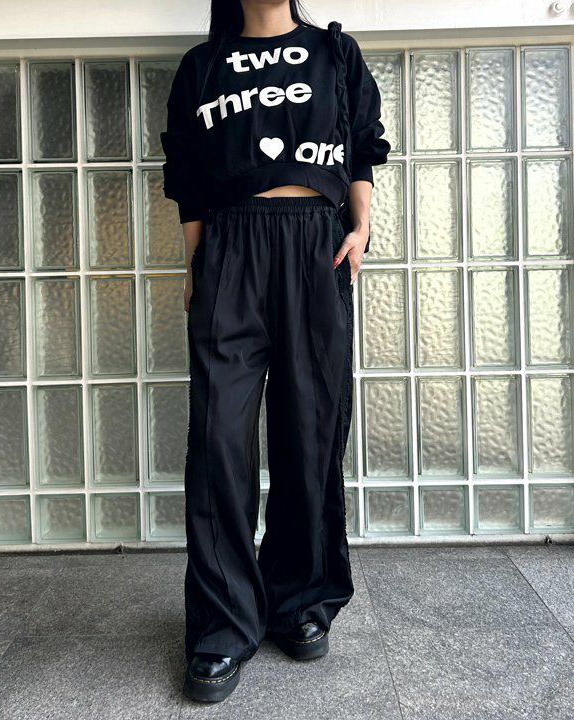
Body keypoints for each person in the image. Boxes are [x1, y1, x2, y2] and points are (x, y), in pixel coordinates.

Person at [160, 0, 391, 703]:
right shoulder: (203, 67)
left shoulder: (334, 54)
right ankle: (222, 626)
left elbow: (361, 144)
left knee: (310, 431)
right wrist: (198, 266)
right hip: (231, 248)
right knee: (218, 439)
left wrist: (360, 229)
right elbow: (188, 176)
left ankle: (299, 599)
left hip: (315, 246)